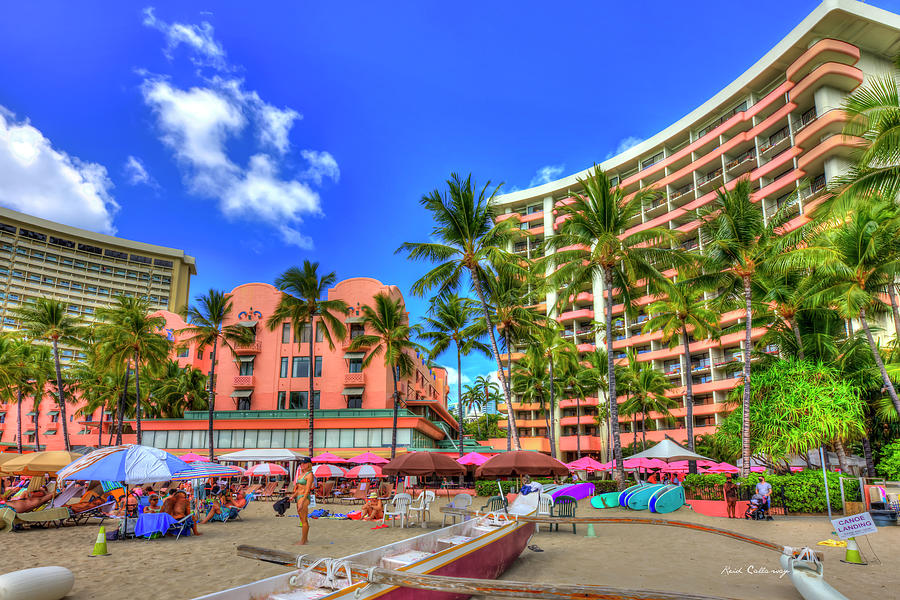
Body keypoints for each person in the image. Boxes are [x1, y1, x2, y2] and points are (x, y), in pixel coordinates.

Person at [289, 457, 314, 545]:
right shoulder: (301, 474)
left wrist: (302, 502)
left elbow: (307, 490)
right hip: (299, 497)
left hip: (304, 497)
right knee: (302, 519)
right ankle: (305, 539)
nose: (302, 465)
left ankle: (303, 541)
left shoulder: (309, 475)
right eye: (301, 463)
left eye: (304, 463)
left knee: (304, 520)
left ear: (309, 464)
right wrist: (293, 496)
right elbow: (298, 489)